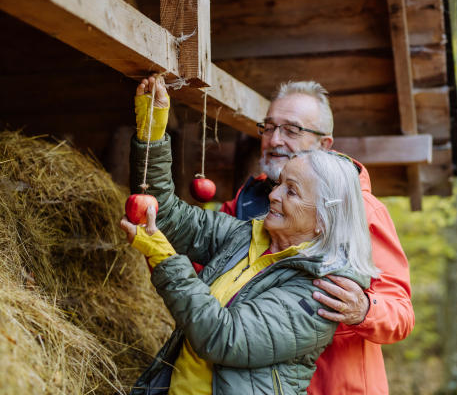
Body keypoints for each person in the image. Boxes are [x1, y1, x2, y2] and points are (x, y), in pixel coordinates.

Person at [129, 77, 414, 394]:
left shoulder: (360, 214)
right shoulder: (252, 207)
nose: (275, 139)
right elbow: (206, 276)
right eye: (268, 127)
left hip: (334, 385)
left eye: (291, 130)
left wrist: (363, 309)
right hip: (231, 377)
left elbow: (401, 313)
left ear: (324, 145)